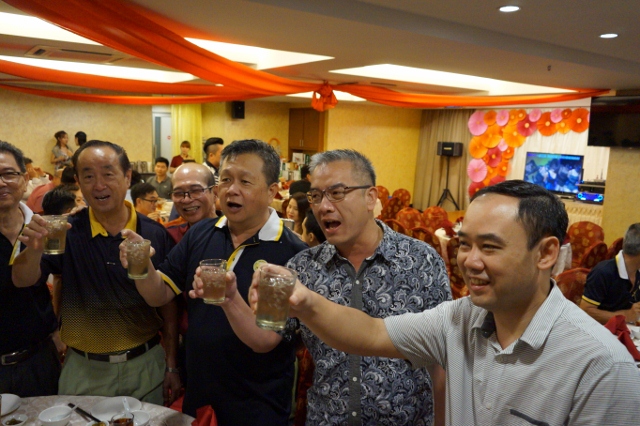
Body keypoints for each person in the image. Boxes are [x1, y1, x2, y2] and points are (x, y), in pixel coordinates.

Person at [252, 180, 640, 425]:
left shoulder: (601, 365)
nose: (470, 261)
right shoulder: (460, 318)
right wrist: (304, 301)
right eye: (465, 244)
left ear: (546, 253)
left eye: (490, 247)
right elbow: (370, 332)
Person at [119, 139, 307, 424]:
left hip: (257, 402)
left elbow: (266, 340)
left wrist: (229, 299)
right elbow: (159, 294)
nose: (231, 189)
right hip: (201, 391)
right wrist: (142, 265)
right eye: (226, 179)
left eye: (245, 181)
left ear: (272, 192)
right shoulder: (202, 232)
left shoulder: (291, 252)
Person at [282, 149, 451, 425]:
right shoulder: (303, 267)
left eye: (337, 193)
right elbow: (269, 339)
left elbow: (443, 354)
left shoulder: (421, 260)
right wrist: (232, 299)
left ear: (370, 198)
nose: (323, 206)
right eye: (316, 196)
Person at [13, 140, 176, 404]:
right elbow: (23, 280)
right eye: (88, 176)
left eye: (108, 174)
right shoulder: (66, 231)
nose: (99, 185)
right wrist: (31, 251)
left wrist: (171, 365)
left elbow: (169, 305)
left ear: (127, 177)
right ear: (78, 181)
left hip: (146, 366)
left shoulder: (154, 233)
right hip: (84, 370)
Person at [0, 140, 60, 396]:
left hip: (40, 359)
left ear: (25, 179)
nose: (1, 183)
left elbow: (61, 276)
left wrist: (59, 330)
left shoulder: (42, 228)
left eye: (8, 174)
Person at [580, 223, 640, 324]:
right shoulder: (603, 272)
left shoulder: (637, 271)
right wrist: (625, 316)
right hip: (601, 330)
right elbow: (586, 311)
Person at [165, 162, 217, 243]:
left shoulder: (233, 234)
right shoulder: (170, 236)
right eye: (179, 193)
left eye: (195, 191)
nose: (186, 200)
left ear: (215, 193)